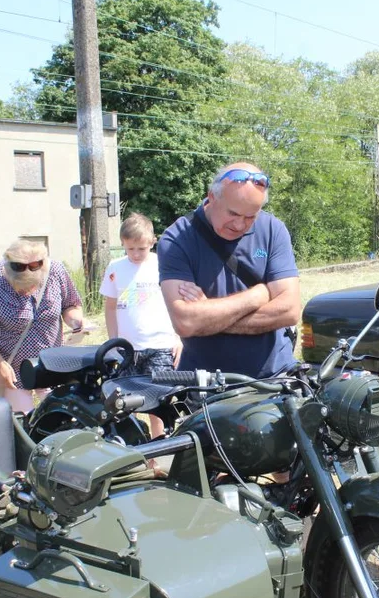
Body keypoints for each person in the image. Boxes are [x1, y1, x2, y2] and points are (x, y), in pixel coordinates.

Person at [157, 162, 300, 379]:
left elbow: (290, 311)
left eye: (251, 216)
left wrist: (209, 319)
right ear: (212, 197)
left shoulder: (273, 229)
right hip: (206, 384)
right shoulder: (177, 238)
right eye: (233, 213)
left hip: (274, 377)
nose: (240, 225)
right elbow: (185, 322)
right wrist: (257, 295)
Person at [0, 239, 86, 413]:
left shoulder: (56, 271)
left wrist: (75, 320)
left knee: (61, 418)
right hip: (13, 372)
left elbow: (71, 305)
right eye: (21, 288)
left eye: (32, 286)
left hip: (52, 366)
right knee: (22, 423)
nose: (27, 292)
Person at [101, 213, 182, 437]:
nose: (135, 254)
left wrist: (178, 337)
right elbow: (110, 306)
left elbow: (176, 303)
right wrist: (113, 342)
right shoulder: (115, 268)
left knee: (159, 402)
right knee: (125, 403)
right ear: (123, 245)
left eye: (141, 249)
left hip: (160, 345)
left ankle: (159, 450)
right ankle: (133, 448)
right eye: (130, 249)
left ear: (152, 242)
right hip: (127, 348)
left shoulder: (163, 264)